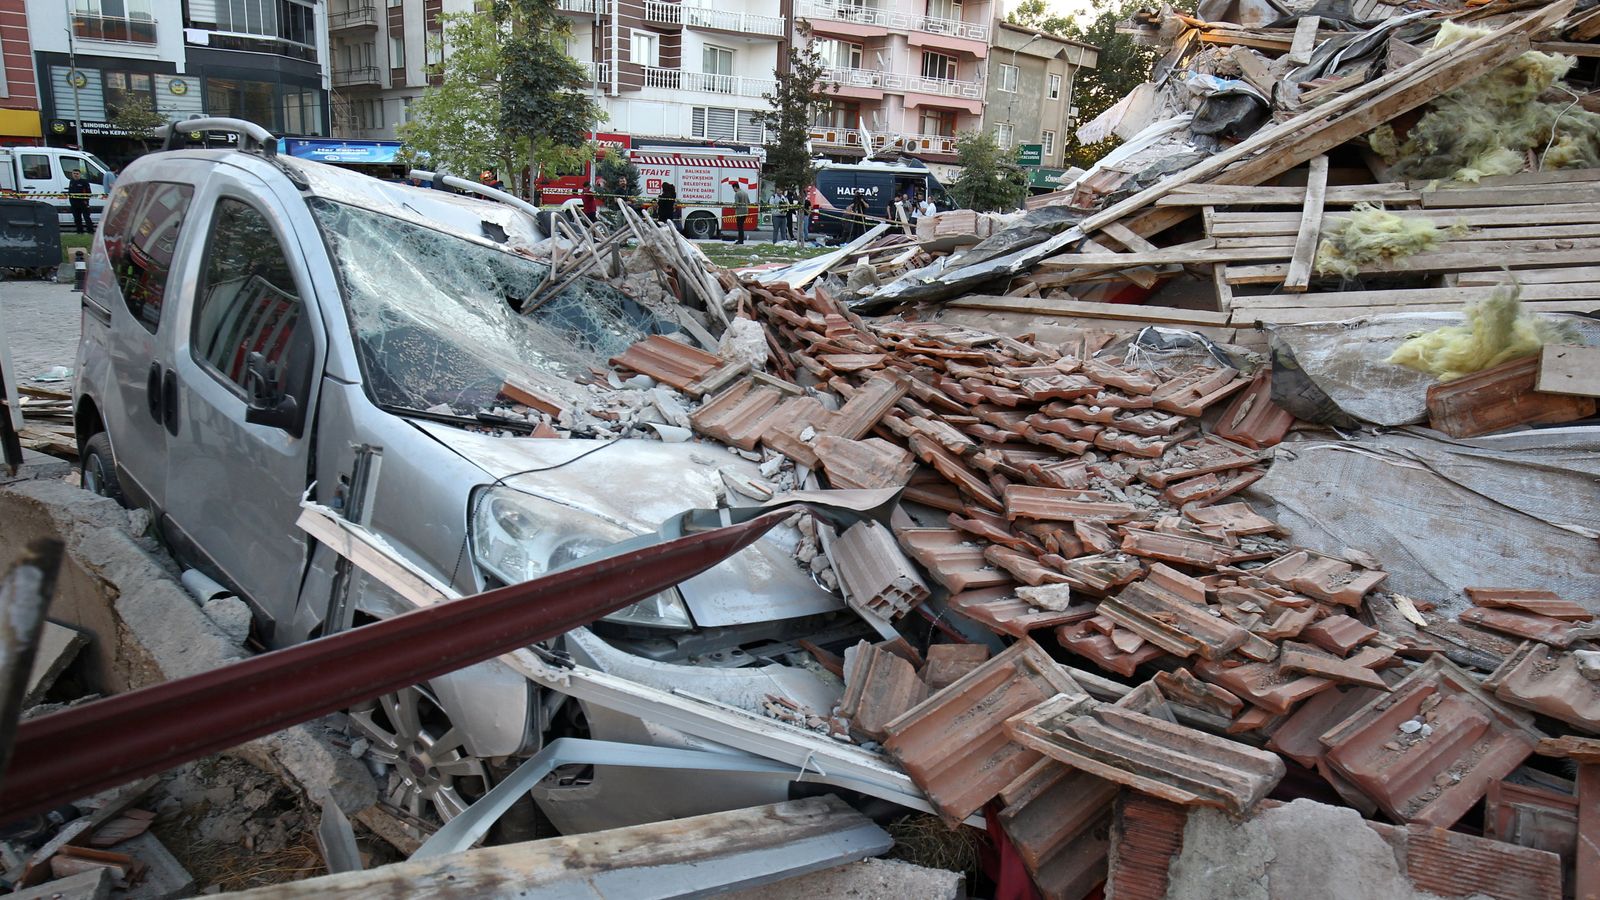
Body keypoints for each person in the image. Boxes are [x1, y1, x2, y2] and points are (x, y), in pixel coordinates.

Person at [66, 169, 93, 235]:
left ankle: (90, 231)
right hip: (74, 203)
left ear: (80, 174)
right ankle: (80, 231)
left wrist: (86, 201)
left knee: (86, 217)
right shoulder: (71, 182)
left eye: (77, 173)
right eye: (74, 173)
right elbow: (70, 192)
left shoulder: (84, 182)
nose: (75, 175)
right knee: (77, 218)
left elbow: (88, 193)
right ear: (72, 174)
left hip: (83, 203)